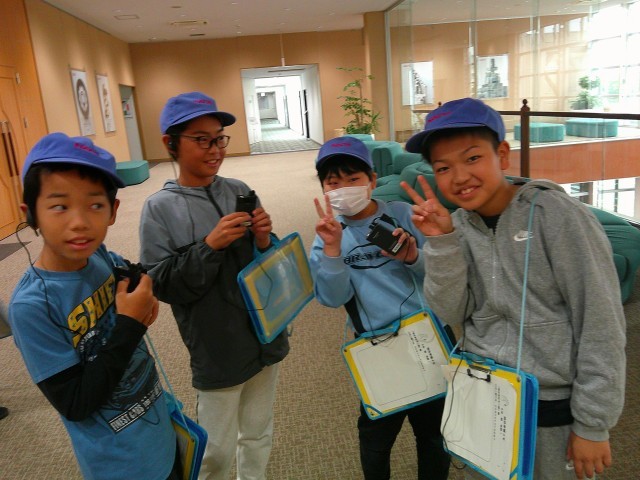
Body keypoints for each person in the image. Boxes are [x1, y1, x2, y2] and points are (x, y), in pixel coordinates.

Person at [401, 97, 626, 480]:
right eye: (443, 167)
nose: (459, 177)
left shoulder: (556, 216)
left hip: (552, 407)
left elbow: (601, 322)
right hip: (483, 395)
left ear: (502, 154)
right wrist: (441, 242)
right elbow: (451, 312)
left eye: (473, 158)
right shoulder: (459, 227)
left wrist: (593, 423)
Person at [8, 133, 178, 480]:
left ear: (113, 211)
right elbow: (76, 403)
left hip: (158, 425)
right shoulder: (31, 307)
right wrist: (130, 324)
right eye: (60, 206)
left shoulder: (98, 255)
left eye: (95, 205)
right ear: (31, 214)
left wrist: (140, 284)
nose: (80, 222)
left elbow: (128, 272)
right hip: (121, 464)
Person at [139, 91, 289, 480]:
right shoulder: (159, 208)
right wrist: (209, 246)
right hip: (217, 345)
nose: (215, 149)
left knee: (258, 432)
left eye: (219, 138)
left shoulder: (238, 188)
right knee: (215, 449)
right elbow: (161, 283)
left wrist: (263, 240)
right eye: (202, 140)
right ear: (171, 143)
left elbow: (269, 266)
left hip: (264, 332)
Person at [310, 136, 450, 480]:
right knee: (375, 439)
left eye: (353, 179)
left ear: (372, 180)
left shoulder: (403, 215)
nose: (343, 189)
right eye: (333, 182)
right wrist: (332, 251)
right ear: (323, 189)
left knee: (434, 434)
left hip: (427, 339)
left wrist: (413, 257)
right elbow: (332, 297)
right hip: (377, 348)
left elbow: (443, 275)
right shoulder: (327, 236)